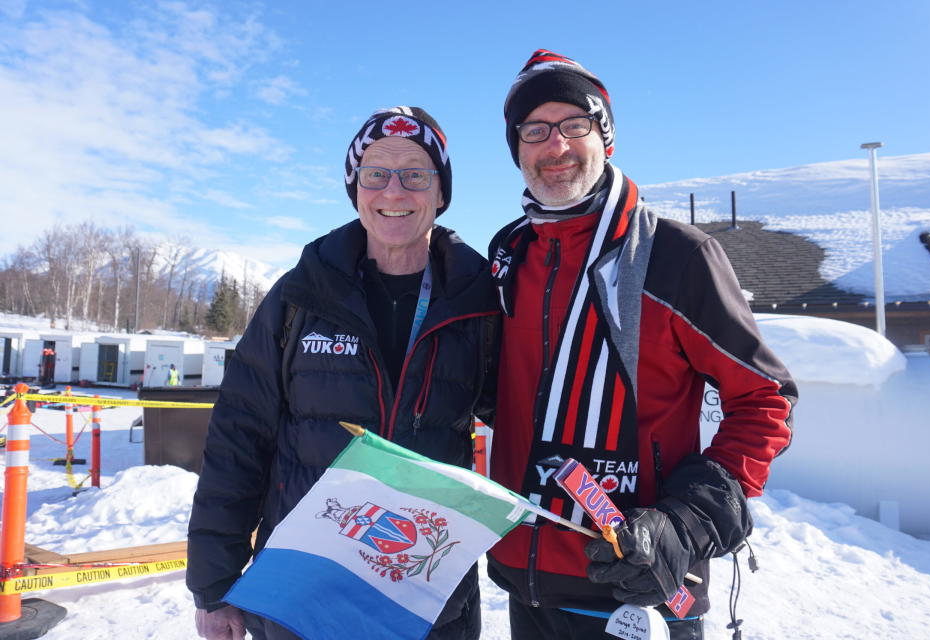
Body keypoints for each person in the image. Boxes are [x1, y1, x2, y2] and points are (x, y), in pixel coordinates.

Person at [486, 50, 797, 640]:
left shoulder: (676, 256)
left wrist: (689, 520)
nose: (556, 147)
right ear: (517, 148)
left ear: (606, 137)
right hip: (526, 578)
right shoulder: (509, 254)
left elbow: (766, 400)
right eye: (535, 130)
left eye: (575, 125)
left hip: (641, 585)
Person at [188, 106, 499, 640]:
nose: (394, 192)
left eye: (415, 175)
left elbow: (528, 420)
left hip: (426, 597)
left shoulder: (477, 300)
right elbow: (239, 437)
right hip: (302, 594)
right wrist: (214, 583)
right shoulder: (300, 296)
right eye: (376, 174)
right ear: (355, 189)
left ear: (441, 193)